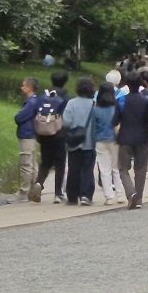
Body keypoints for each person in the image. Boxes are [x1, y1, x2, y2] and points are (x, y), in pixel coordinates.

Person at [115, 70, 148, 209]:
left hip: (125, 137)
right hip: (142, 138)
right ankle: (139, 198)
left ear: (127, 85)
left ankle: (130, 192)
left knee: (123, 168)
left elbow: (115, 120)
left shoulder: (121, 100)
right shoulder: (146, 100)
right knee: (140, 169)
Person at [31, 69, 69, 203]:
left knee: (45, 163)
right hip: (59, 134)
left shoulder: (44, 96)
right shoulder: (66, 97)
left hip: (43, 133)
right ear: (65, 82)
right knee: (60, 164)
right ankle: (58, 194)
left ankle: (39, 183)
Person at [61, 76, 99, 206]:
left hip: (74, 142)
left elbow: (66, 122)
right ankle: (86, 195)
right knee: (88, 169)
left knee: (73, 169)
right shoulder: (94, 104)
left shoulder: (71, 103)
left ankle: (72, 196)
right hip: (90, 142)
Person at [12, 77, 43, 201]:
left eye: (24, 85)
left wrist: (17, 116)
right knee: (33, 164)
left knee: (26, 164)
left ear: (30, 88)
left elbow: (19, 117)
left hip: (27, 135)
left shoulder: (31, 103)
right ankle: (33, 190)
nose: (22, 87)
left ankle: (24, 192)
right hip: (34, 134)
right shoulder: (37, 101)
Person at [91, 80, 121, 205]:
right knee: (117, 168)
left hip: (100, 140)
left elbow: (93, 128)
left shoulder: (95, 110)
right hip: (115, 140)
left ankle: (109, 197)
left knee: (104, 170)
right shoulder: (116, 108)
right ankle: (120, 194)